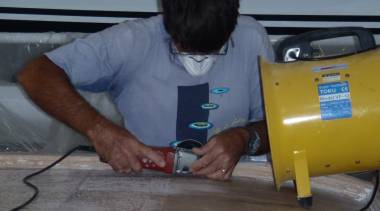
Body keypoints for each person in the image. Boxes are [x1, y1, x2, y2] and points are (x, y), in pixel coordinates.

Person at [18, 0, 274, 181]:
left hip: (234, 183)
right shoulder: (134, 41)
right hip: (147, 183)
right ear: (168, 24)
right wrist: (100, 131)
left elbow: (278, 128)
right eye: (185, 49)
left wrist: (244, 139)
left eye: (215, 50)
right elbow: (36, 75)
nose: (201, 62)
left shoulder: (251, 39)